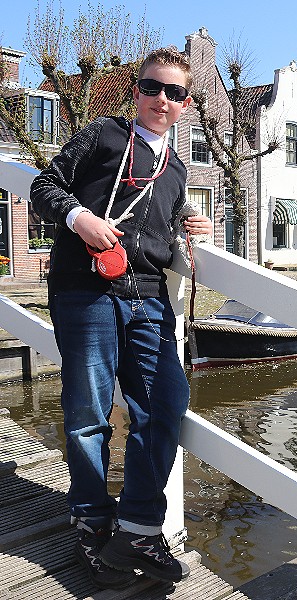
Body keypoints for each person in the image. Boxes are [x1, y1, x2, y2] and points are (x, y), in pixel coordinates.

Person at [30, 47, 213, 589]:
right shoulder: (103, 135)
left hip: (148, 295)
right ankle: (90, 520)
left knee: (164, 402)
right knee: (88, 411)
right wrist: (80, 217)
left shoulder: (176, 168)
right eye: (152, 88)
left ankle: (136, 525)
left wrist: (189, 223)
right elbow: (44, 185)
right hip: (85, 290)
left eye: (174, 93)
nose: (162, 100)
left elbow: (162, 220)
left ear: (184, 105)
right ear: (136, 91)